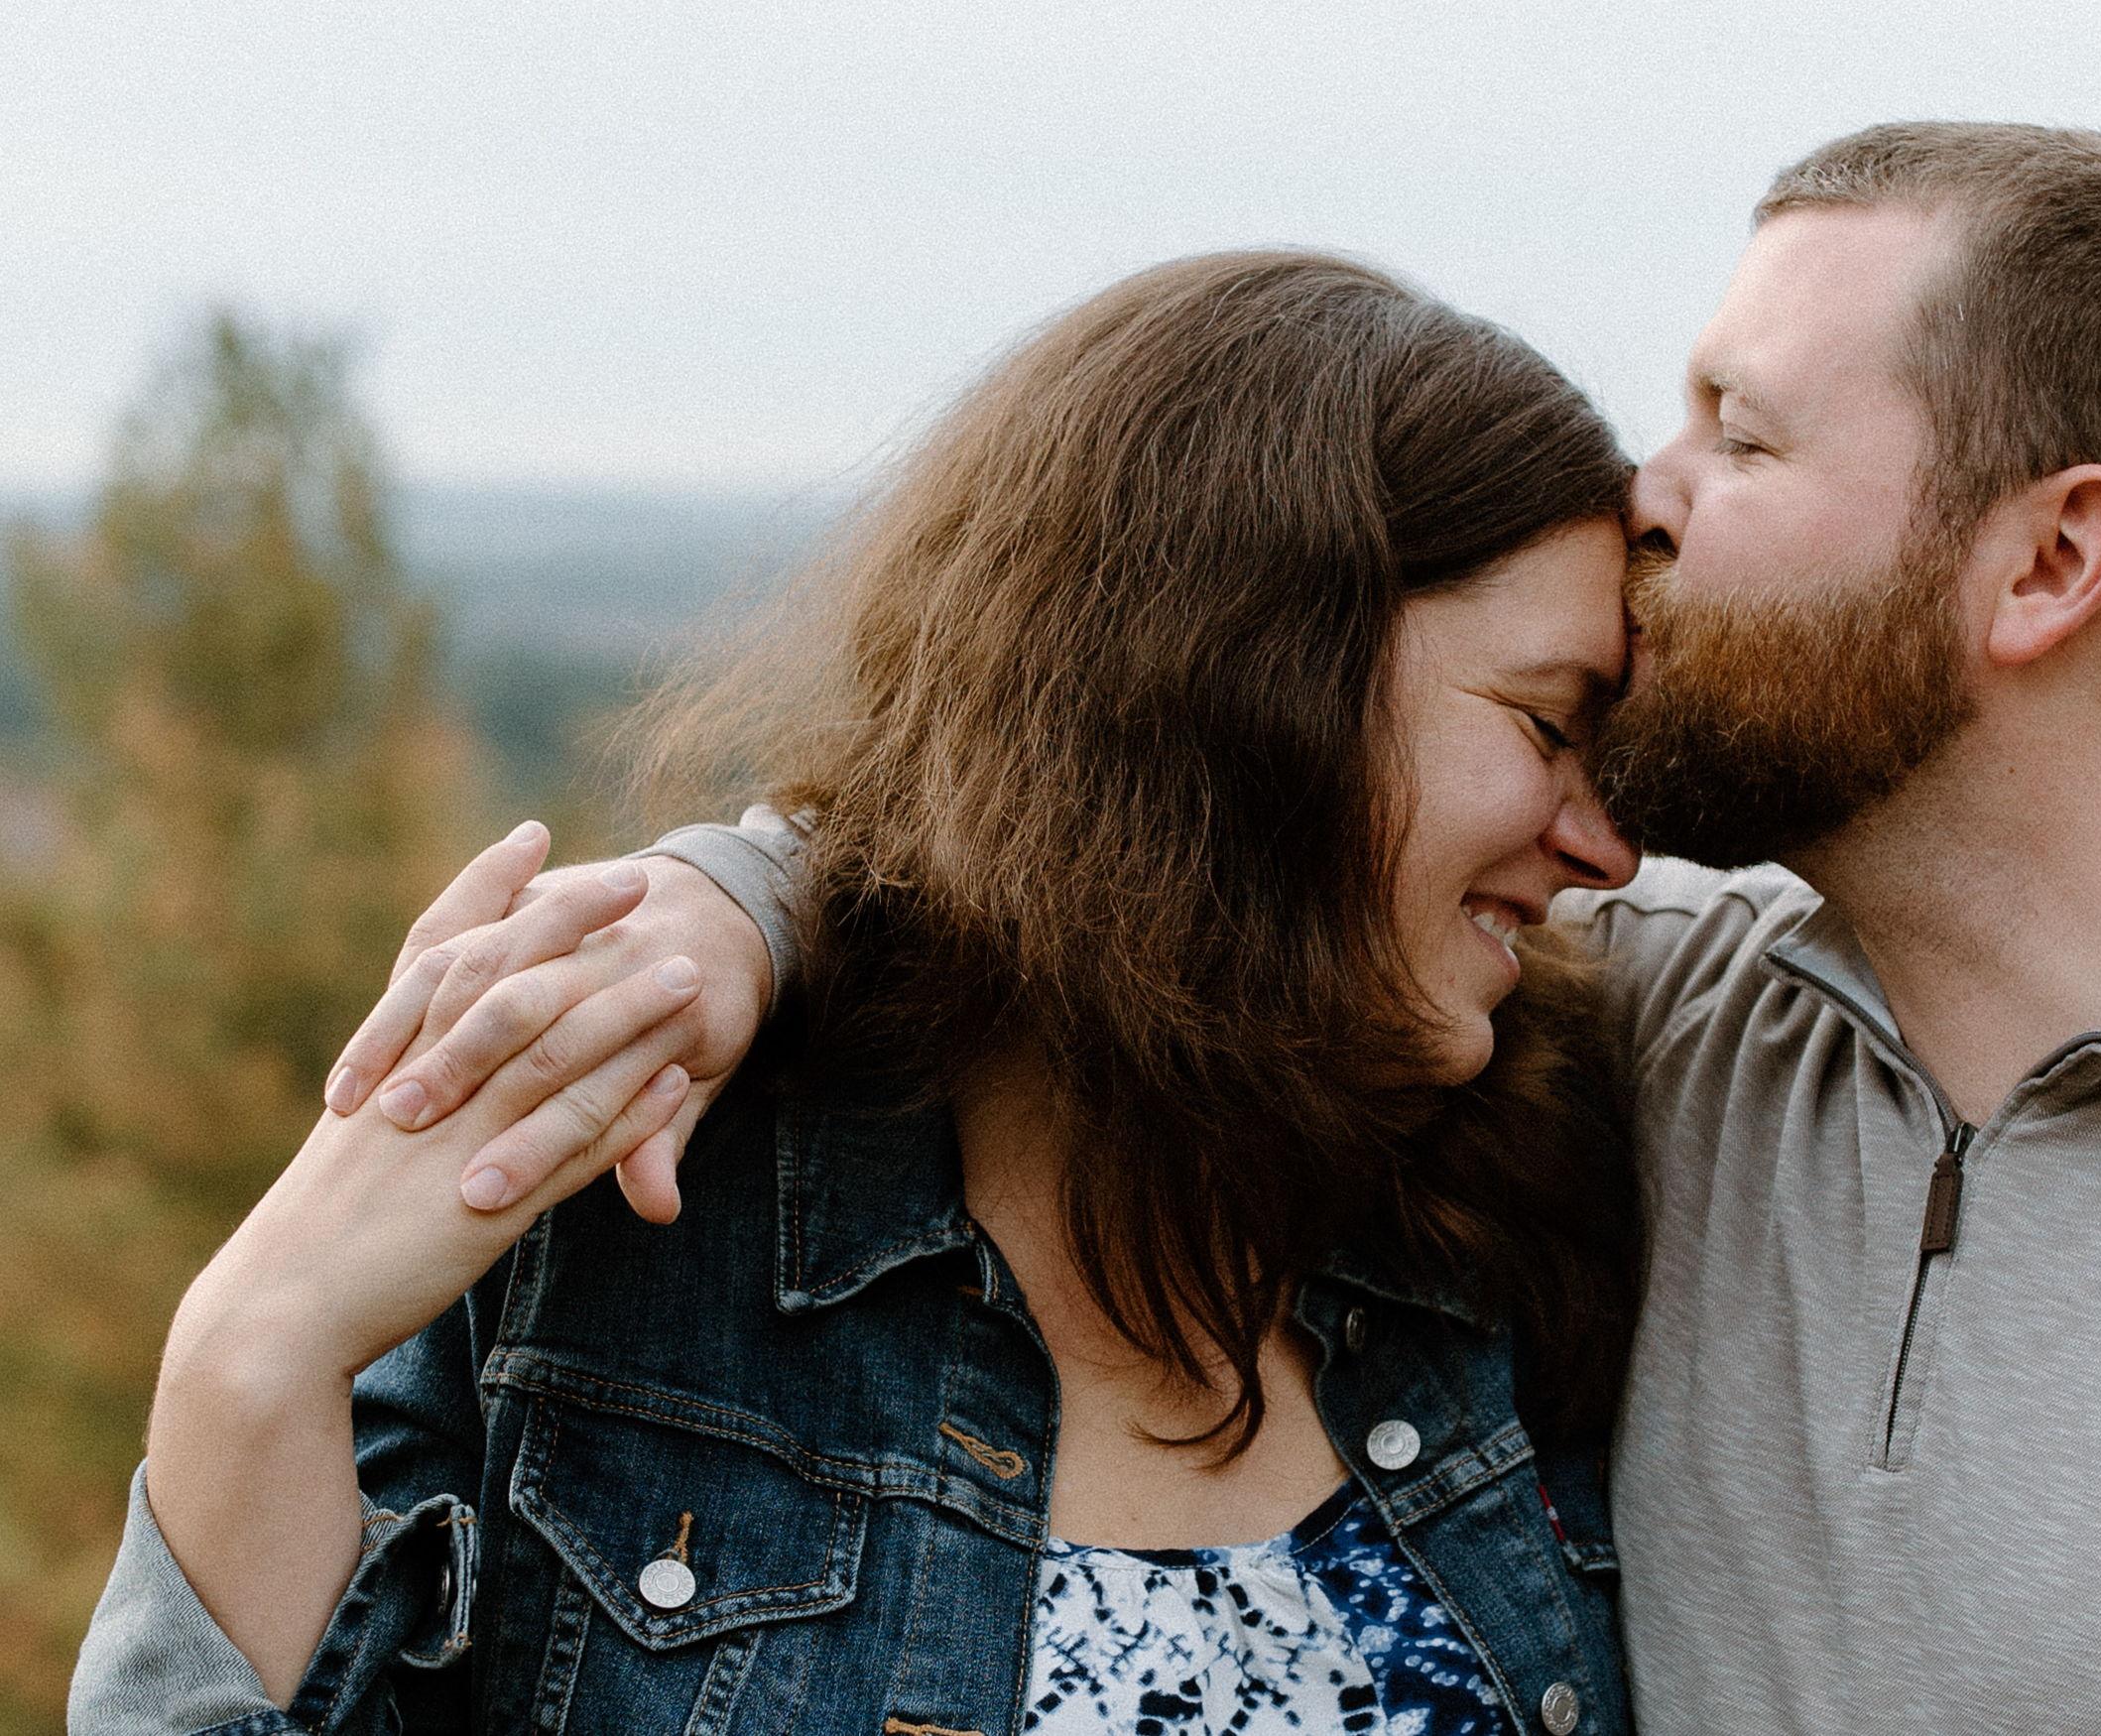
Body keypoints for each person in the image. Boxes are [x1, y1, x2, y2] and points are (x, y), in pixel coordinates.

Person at [257, 124, 2101, 1730]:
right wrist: (736, 898)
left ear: (2047, 559)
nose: (1645, 494)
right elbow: (1149, 858)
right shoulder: (1632, 1037)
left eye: (1736, 433)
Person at [70, 251, 1649, 1735]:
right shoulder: (631, 1204)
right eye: (1545, 724)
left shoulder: (1557, 1201)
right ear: (1258, 685)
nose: (1605, 846)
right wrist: (256, 1345)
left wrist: (748, 890)